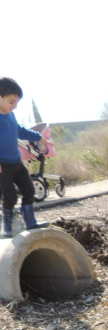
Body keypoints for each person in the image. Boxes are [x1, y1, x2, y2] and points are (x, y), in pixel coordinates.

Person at [0, 77, 49, 237]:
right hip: (3, 166)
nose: (14, 106)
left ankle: (30, 222)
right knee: (10, 197)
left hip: (17, 162)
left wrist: (38, 136)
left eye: (16, 103)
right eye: (11, 102)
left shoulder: (11, 115)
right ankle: (7, 226)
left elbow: (20, 130)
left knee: (29, 190)